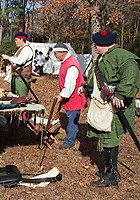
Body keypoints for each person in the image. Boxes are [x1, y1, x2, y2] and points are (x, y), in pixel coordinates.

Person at [78, 30, 139, 187]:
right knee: (105, 137)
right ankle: (108, 169)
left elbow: (132, 74)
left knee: (110, 138)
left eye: (95, 44)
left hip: (114, 107)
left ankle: (111, 175)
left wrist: (121, 94)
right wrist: (86, 87)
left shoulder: (124, 56)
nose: (94, 46)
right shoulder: (101, 58)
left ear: (101, 44)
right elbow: (95, 77)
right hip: (103, 104)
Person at [53, 43, 87, 150]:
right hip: (70, 97)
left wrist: (62, 95)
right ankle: (69, 136)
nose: (55, 55)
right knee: (69, 117)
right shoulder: (66, 62)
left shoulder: (71, 65)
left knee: (72, 119)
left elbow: (70, 84)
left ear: (63, 53)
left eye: (56, 53)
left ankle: (70, 141)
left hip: (74, 97)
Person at [2, 32, 33, 96]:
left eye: (16, 40)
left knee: (21, 99)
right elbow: (15, 61)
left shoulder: (27, 49)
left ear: (22, 39)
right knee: (14, 99)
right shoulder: (21, 49)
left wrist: (8, 57)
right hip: (16, 78)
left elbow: (20, 61)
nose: (15, 42)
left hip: (22, 79)